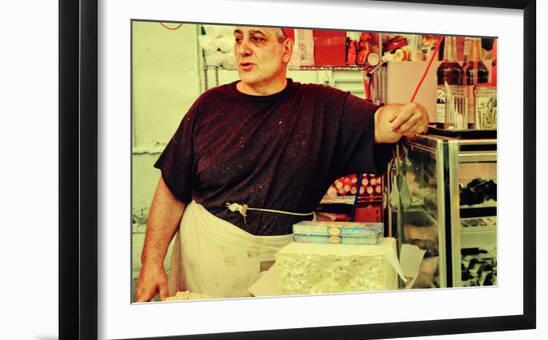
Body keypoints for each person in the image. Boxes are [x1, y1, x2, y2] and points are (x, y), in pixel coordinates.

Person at [135, 26, 429, 301]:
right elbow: (171, 188)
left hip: (287, 260)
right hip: (208, 256)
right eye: (239, 39)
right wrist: (151, 262)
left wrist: (412, 114)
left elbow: (381, 122)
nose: (243, 49)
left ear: (286, 49)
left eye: (257, 39)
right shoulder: (208, 106)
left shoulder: (323, 105)